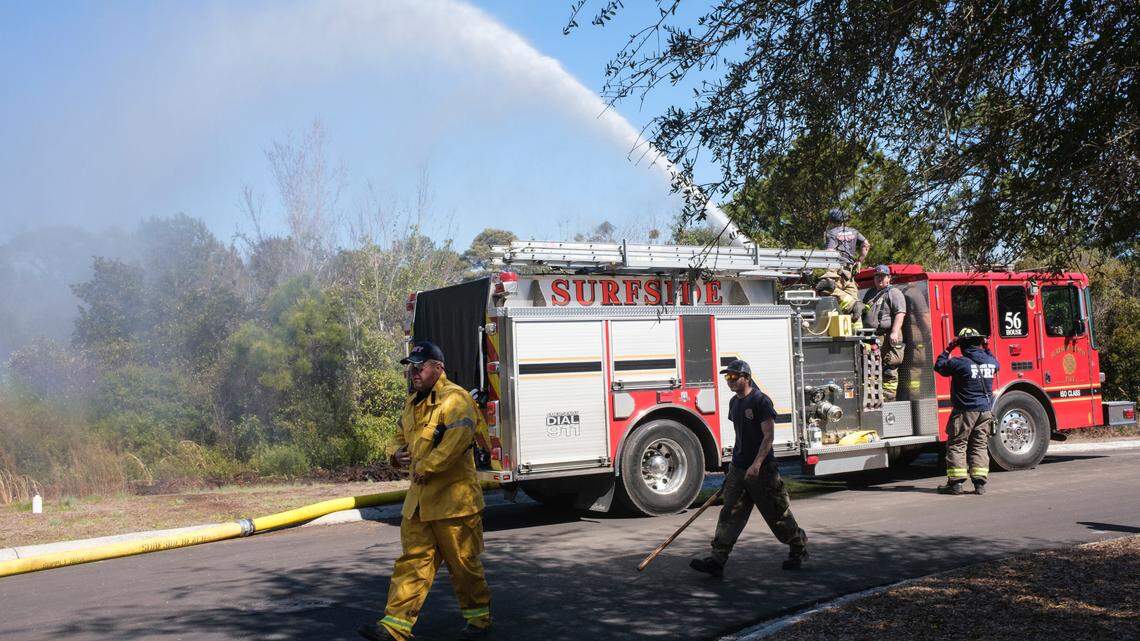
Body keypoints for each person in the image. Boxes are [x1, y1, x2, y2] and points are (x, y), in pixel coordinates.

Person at [358, 341, 492, 641]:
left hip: (454, 504)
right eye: (412, 367)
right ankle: (394, 626)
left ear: (438, 368)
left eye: (421, 366)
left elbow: (456, 442)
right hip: (419, 504)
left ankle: (479, 621)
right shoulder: (412, 403)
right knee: (412, 563)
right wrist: (394, 454)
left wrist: (424, 466)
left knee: (463, 566)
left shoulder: (455, 399)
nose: (414, 372)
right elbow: (397, 436)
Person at [689, 360, 808, 576]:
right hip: (739, 468)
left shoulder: (761, 401)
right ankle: (717, 560)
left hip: (762, 471)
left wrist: (757, 463)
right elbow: (739, 437)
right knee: (730, 514)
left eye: (734, 377)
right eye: (728, 378)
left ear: (747, 377)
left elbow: (768, 437)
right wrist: (733, 468)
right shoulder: (734, 403)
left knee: (777, 515)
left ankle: (798, 546)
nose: (730, 381)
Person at [934, 328, 1000, 495]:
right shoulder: (990, 363)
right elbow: (995, 362)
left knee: (957, 445)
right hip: (985, 411)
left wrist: (949, 348)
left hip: (965, 411)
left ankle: (955, 484)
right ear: (979, 343)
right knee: (979, 445)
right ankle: (979, 485)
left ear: (961, 345)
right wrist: (986, 347)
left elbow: (939, 366)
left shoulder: (959, 362)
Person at [862, 265, 907, 401]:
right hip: (872, 337)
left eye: (883, 276)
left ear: (889, 278)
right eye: (877, 276)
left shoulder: (894, 293)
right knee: (871, 369)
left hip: (888, 336)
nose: (879, 279)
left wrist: (894, 332)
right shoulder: (870, 293)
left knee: (889, 368)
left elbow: (900, 313)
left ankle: (888, 400)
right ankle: (873, 400)